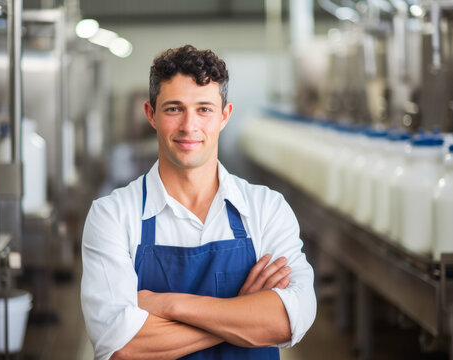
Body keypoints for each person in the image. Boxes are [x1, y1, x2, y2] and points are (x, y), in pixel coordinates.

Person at [81, 45, 316, 360]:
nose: (189, 126)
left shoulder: (266, 209)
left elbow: (290, 320)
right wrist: (240, 312)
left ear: (224, 115)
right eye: (174, 109)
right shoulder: (112, 215)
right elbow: (121, 346)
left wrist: (169, 305)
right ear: (151, 114)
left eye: (204, 109)